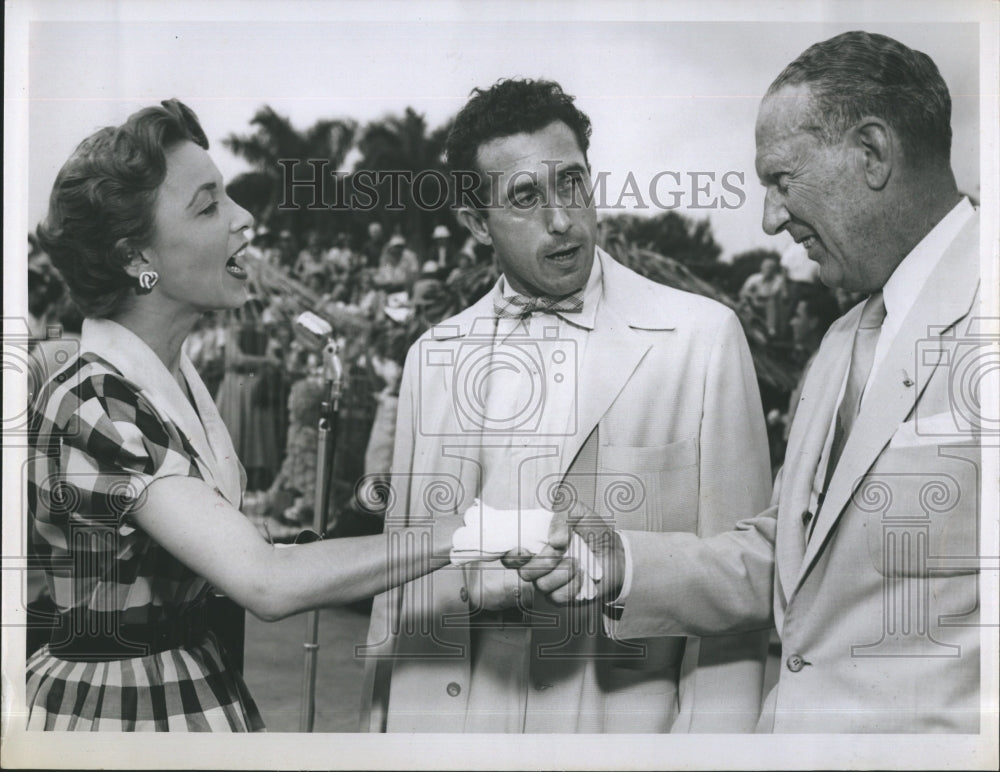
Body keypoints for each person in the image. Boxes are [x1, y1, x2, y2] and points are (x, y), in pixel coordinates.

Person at [518, 31, 984, 733]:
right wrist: (622, 563)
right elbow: (793, 557)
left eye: (781, 180)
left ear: (873, 152)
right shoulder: (839, 343)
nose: (769, 219)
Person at [25, 99, 514, 732]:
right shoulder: (95, 399)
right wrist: (472, 532)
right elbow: (266, 581)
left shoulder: (167, 377)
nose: (245, 218)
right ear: (136, 258)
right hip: (123, 708)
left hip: (191, 677)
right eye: (208, 207)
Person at [361, 78, 772, 733]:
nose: (561, 220)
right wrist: (382, 737)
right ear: (476, 222)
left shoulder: (701, 339)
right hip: (452, 715)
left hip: (613, 720)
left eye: (572, 182)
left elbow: (741, 583)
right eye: (525, 197)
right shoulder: (431, 356)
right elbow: (399, 581)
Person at [739, 254, 787, 337]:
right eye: (767, 267)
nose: (769, 270)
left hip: (768, 303)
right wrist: (752, 296)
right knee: (743, 300)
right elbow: (742, 292)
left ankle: (771, 329)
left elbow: (777, 294)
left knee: (771, 302)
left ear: (775, 269)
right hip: (753, 301)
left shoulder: (778, 280)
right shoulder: (754, 278)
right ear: (761, 268)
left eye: (771, 267)